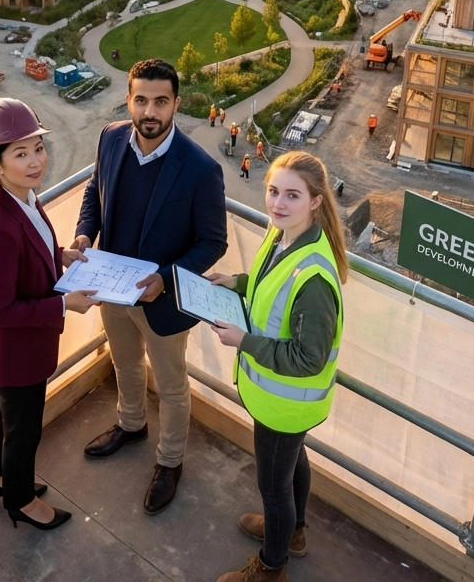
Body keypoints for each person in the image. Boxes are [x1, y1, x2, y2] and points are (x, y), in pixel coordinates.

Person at [74, 59, 228, 514]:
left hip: (162, 301)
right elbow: (93, 192)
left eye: (161, 101)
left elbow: (212, 242)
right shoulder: (110, 137)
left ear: (176, 104)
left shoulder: (201, 169)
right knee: (124, 364)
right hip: (111, 289)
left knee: (172, 385)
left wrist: (163, 280)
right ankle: (131, 424)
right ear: (129, 100)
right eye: (141, 99)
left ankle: (170, 462)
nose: (150, 111)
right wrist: (85, 233)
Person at [208, 152, 347, 582]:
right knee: (291, 468)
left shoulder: (315, 279)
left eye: (292, 195)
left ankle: (271, 569)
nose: (277, 203)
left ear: (316, 202)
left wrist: (243, 341)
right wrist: (238, 282)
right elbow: (271, 286)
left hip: (284, 405)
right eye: (273, 191)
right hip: (280, 402)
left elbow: (309, 359)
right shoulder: (284, 235)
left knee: (273, 488)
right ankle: (294, 534)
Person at [0, 97, 99, 531]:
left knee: (4, 417)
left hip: (10, 349)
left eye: (37, 148)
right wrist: (65, 303)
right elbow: (0, 308)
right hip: (16, 349)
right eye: (20, 153)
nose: (35, 161)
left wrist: (58, 255)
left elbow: (32, 248)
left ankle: (0, 477)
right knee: (23, 430)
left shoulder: (19, 196)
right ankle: (20, 501)